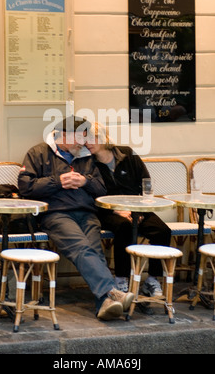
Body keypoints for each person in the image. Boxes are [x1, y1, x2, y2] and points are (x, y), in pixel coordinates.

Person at [18, 116, 134, 320]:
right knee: (81, 247)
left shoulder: (86, 156)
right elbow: (26, 188)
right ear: (63, 135)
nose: (83, 141)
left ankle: (105, 304)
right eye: (80, 136)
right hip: (56, 214)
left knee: (94, 250)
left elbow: (101, 189)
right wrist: (57, 181)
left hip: (87, 213)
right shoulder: (38, 153)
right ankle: (112, 291)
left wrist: (84, 182)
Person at [86, 122, 172, 296]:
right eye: (84, 138)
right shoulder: (88, 163)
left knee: (162, 231)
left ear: (104, 138)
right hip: (107, 211)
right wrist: (116, 210)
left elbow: (145, 183)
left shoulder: (127, 154)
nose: (88, 142)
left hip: (137, 208)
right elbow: (89, 194)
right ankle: (121, 279)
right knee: (124, 228)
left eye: (92, 137)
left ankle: (153, 279)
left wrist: (137, 210)